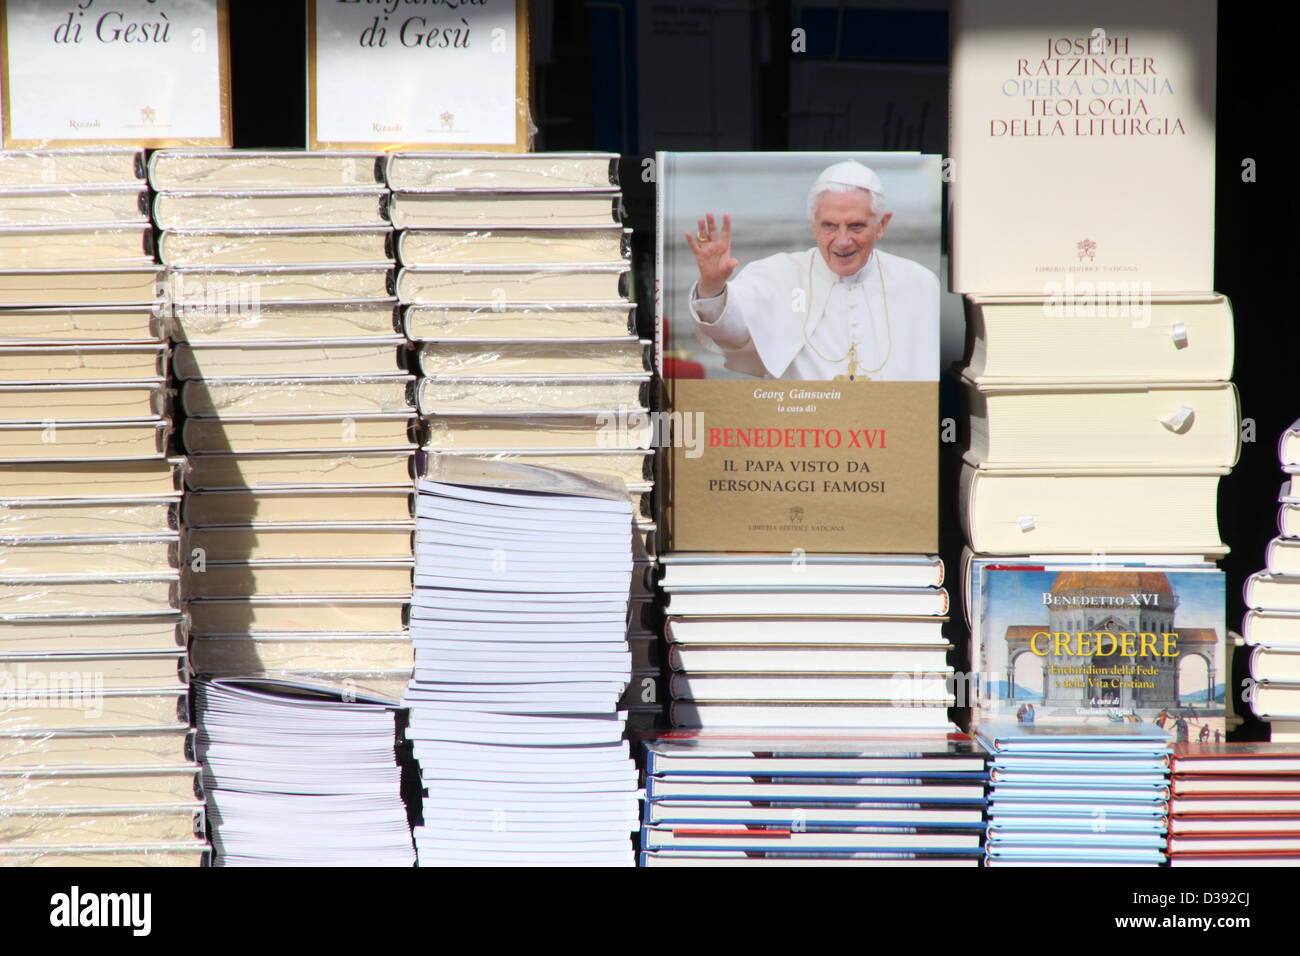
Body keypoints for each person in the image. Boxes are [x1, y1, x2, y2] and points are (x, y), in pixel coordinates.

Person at [684, 160, 939, 381]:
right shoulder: (779, 274)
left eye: (856, 226)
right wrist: (712, 286)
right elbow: (731, 332)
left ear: (882, 225)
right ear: (813, 226)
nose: (842, 241)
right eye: (829, 226)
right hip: (809, 429)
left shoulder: (918, 283)